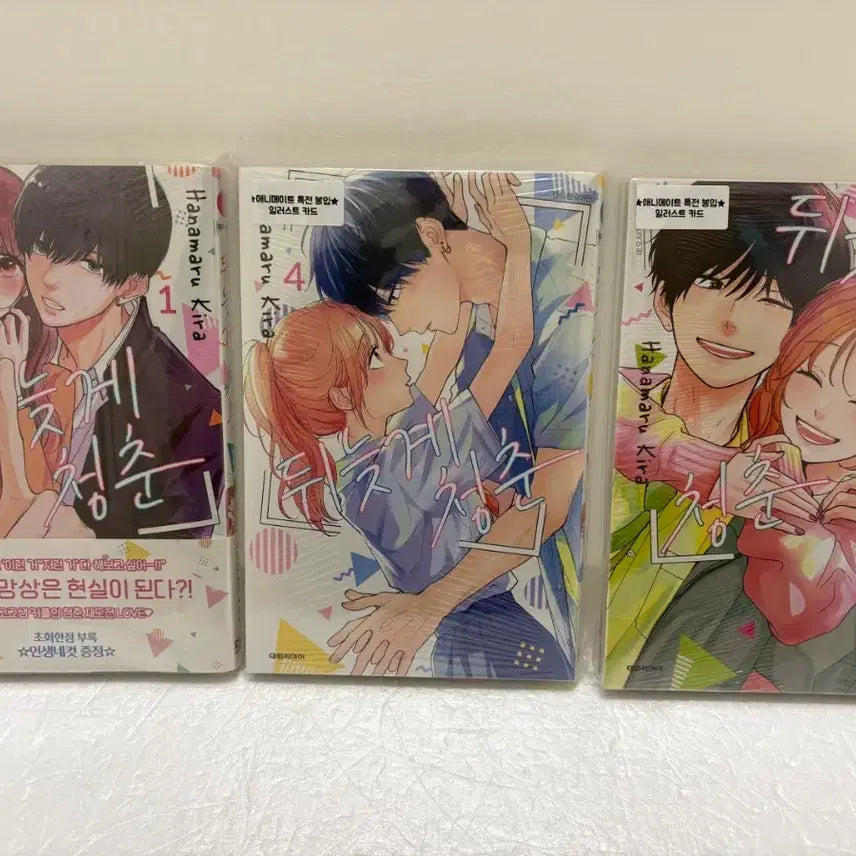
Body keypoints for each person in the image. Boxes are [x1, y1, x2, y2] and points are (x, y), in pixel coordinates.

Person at [246, 175, 571, 678]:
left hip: (467, 627)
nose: (400, 357)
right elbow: (511, 345)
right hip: (486, 632)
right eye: (378, 357)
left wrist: (449, 245)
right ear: (344, 395)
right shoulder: (405, 461)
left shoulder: (382, 453)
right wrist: (518, 246)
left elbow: (449, 341)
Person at [606, 182, 853, 687]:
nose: (732, 323)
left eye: (772, 301)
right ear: (664, 298)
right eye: (713, 283)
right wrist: (705, 469)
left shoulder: (789, 457)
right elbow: (611, 435)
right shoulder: (610, 400)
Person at [12, 165, 224, 539]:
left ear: (133, 284)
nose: (51, 278)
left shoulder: (192, 409)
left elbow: (180, 554)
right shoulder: (15, 346)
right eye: (44, 248)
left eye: (89, 263)